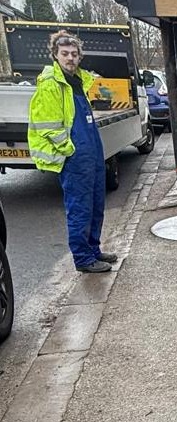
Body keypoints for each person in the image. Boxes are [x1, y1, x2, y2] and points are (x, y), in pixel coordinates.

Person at [27, 31, 116, 273]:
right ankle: (83, 258)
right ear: (55, 55)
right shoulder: (51, 86)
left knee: (96, 203)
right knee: (80, 208)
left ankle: (93, 250)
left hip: (91, 153)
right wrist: (70, 151)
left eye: (74, 54)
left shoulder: (79, 82)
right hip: (75, 157)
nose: (70, 58)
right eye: (65, 54)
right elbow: (49, 126)